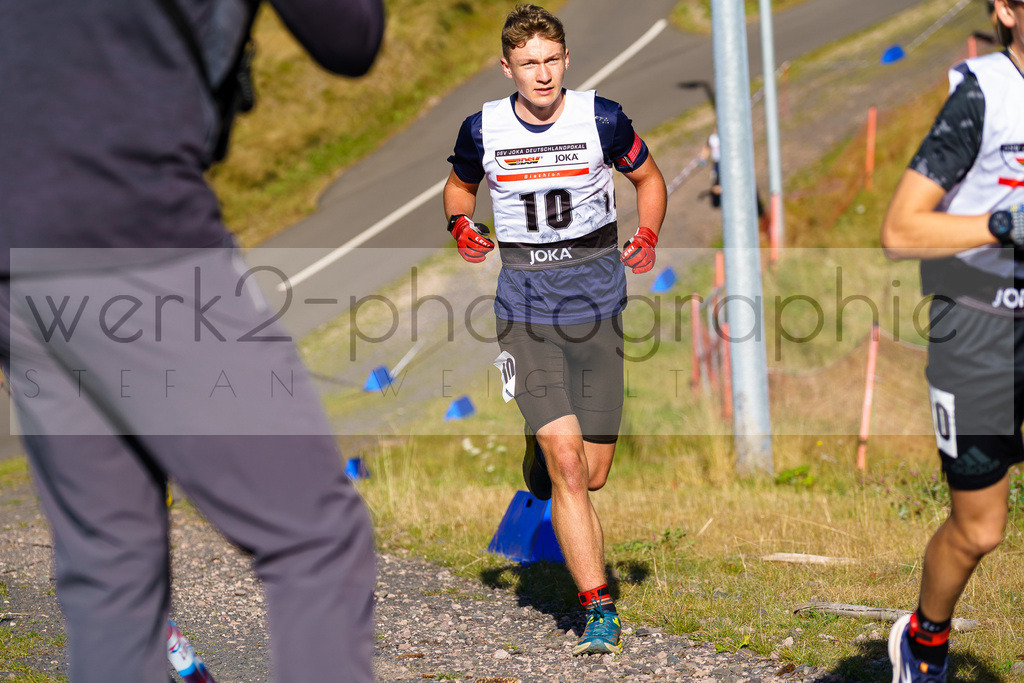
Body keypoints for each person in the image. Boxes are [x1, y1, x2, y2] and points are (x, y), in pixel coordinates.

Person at [0, 1, 384, 681]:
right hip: (126, 221)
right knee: (315, 540)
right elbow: (350, 36)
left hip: (15, 248)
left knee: (110, 575)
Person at [443, 4, 667, 657]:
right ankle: (597, 609)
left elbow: (648, 179)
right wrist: (462, 226)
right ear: (507, 67)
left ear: (565, 61)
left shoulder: (602, 118)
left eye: (550, 61)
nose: (541, 75)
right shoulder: (481, 129)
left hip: (599, 311)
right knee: (568, 464)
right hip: (526, 313)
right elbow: (458, 191)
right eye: (528, 63)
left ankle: (537, 454)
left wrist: (647, 232)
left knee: (591, 473)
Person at [880, 1, 1024, 680]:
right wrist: (999, 224)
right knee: (980, 529)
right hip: (978, 330)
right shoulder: (981, 97)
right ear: (1007, 11)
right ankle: (924, 640)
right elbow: (901, 230)